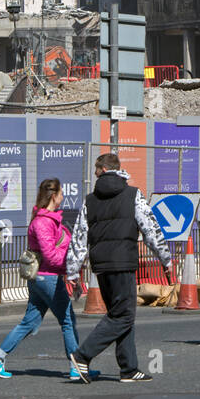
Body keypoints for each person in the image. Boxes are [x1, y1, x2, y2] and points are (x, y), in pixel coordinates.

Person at [65, 153, 171, 383]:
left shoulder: (89, 200)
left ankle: (129, 368)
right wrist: (166, 260)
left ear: (103, 169)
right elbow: (151, 229)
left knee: (121, 314)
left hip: (101, 267)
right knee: (123, 315)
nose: (94, 174)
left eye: (96, 169)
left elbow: (79, 238)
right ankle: (82, 356)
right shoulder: (133, 195)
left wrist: (73, 271)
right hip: (124, 263)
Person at [0, 179, 90, 380]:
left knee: (29, 322)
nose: (63, 197)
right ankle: (77, 367)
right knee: (67, 320)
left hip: (41, 278)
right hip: (48, 277)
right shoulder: (43, 222)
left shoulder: (46, 219)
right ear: (53, 196)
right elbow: (50, 255)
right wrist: (71, 266)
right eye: (60, 193)